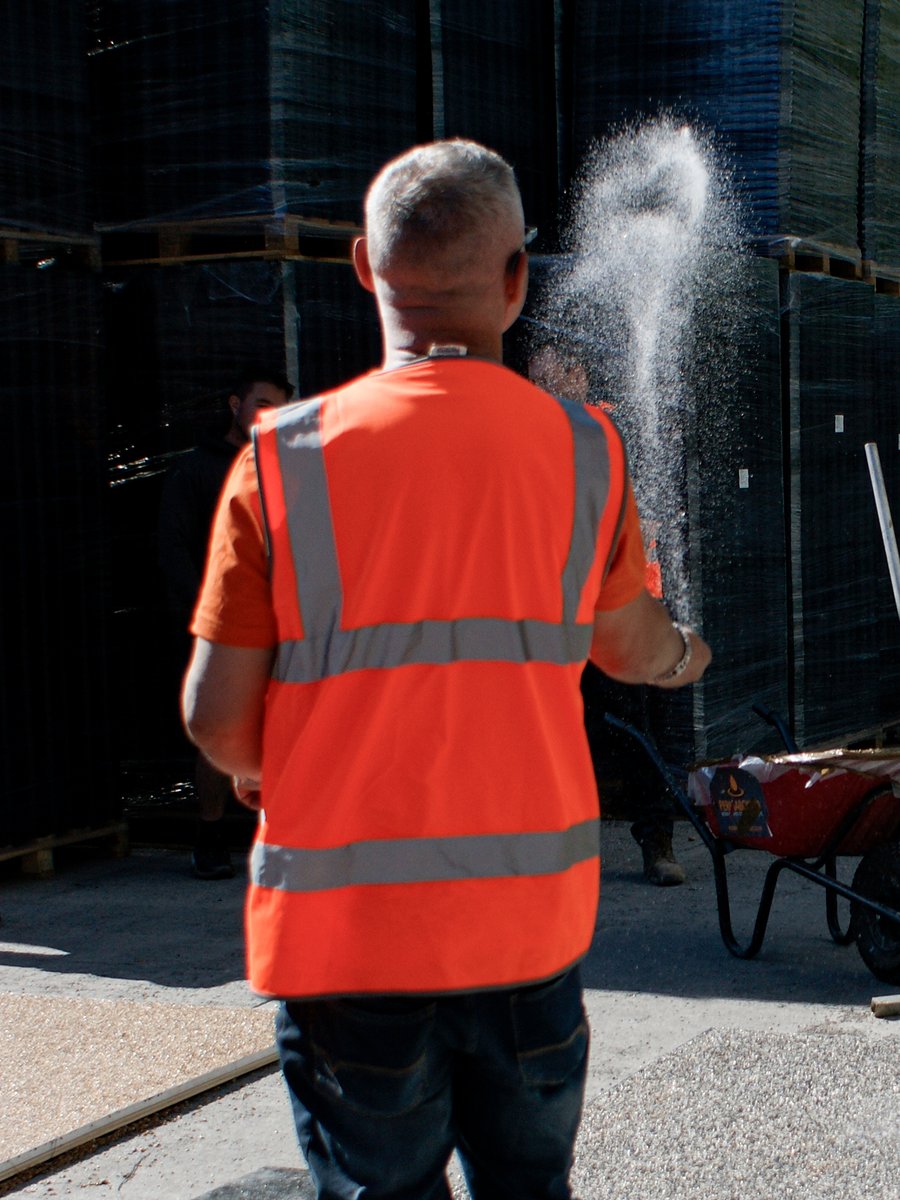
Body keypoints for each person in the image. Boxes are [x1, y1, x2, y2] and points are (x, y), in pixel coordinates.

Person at [181, 140, 711, 1198]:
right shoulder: (586, 451)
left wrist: (269, 758)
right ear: (517, 280)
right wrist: (687, 650)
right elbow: (631, 647)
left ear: (366, 269)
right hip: (525, 932)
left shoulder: (280, 460)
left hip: (348, 947)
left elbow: (216, 720)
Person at [529, 344, 688, 886]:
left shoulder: (611, 431)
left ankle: (657, 842)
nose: (547, 386)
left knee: (635, 731)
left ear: (579, 373)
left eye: (556, 374)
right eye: (539, 375)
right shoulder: (529, 436)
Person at [158, 366, 293, 879]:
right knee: (221, 725)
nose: (269, 415)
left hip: (282, 624)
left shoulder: (287, 467)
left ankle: (268, 832)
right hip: (215, 624)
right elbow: (174, 548)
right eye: (261, 403)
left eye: (278, 405)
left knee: (275, 724)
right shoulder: (196, 472)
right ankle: (210, 837)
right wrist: (207, 619)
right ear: (234, 404)